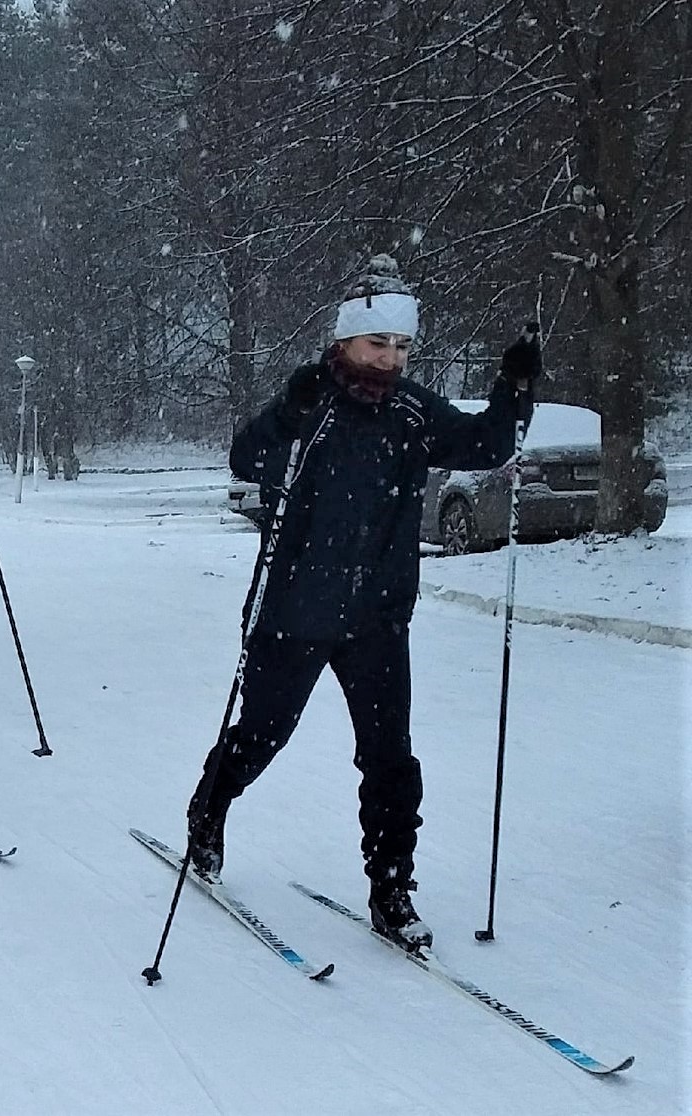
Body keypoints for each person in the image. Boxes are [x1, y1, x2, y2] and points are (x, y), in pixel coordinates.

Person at [185, 255, 538, 951]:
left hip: (378, 615)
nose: (390, 357)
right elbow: (247, 458)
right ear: (344, 340)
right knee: (261, 736)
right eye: (378, 343)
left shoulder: (412, 411)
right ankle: (209, 810)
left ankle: (391, 888)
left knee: (390, 759)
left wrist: (514, 386)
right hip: (294, 611)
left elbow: (488, 445)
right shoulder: (313, 402)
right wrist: (288, 410)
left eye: (402, 346)